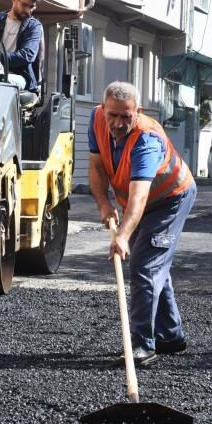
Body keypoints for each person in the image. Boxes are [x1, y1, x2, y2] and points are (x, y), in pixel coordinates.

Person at [88, 81, 197, 367]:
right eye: (112, 114)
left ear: (138, 111)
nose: (118, 122)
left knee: (144, 266)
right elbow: (97, 167)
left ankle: (142, 346)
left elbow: (138, 197)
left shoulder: (146, 140)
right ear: (103, 108)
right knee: (154, 265)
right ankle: (171, 335)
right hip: (140, 202)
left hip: (169, 199)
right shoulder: (96, 118)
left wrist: (122, 235)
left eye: (126, 116)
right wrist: (103, 204)